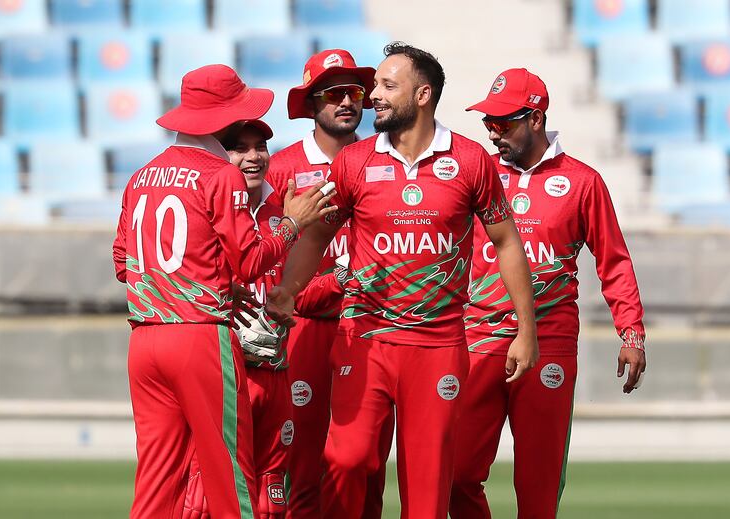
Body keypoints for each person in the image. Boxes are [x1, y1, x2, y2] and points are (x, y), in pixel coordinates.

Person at [268, 43, 539, 519]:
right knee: (346, 460)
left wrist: (526, 329)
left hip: (437, 345)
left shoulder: (471, 160)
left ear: (422, 95)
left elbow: (507, 243)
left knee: (428, 485)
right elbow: (315, 238)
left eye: (387, 86)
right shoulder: (353, 163)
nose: (374, 95)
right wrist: (288, 289)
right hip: (364, 336)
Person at [112, 64, 333, 519]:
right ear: (224, 118)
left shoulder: (142, 176)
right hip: (199, 340)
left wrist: (208, 286)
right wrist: (293, 224)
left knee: (156, 479)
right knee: (230, 474)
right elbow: (251, 261)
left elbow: (124, 263)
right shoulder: (218, 173)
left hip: (144, 339)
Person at [449, 68, 647, 519]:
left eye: (503, 123)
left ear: (535, 119)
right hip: (478, 335)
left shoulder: (583, 182)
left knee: (537, 488)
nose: (493, 133)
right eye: (488, 124)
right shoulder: (474, 173)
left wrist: (632, 333)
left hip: (549, 341)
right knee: (456, 474)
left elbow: (613, 261)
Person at [182, 121, 346, 519]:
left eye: (261, 147)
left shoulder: (283, 213)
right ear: (220, 156)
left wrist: (343, 274)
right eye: (239, 148)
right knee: (206, 498)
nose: (253, 157)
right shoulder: (203, 210)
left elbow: (296, 295)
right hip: (225, 375)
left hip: (274, 373)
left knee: (273, 498)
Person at [264, 48, 390, 519]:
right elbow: (272, 265)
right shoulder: (281, 170)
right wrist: (336, 281)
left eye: (355, 92)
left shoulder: (386, 161)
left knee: (369, 468)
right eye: (333, 93)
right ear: (311, 103)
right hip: (307, 331)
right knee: (305, 467)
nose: (346, 102)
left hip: (373, 329)